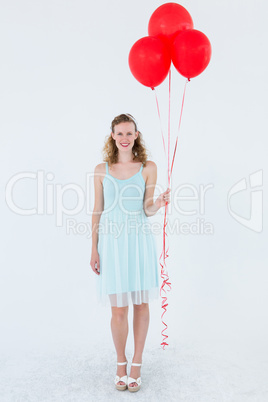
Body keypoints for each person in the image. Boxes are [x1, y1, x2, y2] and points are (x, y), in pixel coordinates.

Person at [90, 113, 170, 392]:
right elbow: (97, 210)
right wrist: (94, 249)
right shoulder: (102, 170)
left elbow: (146, 210)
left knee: (140, 304)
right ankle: (120, 362)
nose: (124, 138)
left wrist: (157, 203)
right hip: (111, 244)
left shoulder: (148, 167)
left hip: (138, 241)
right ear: (112, 136)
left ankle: (137, 362)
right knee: (119, 310)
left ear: (136, 135)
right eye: (119, 133)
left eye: (129, 133)